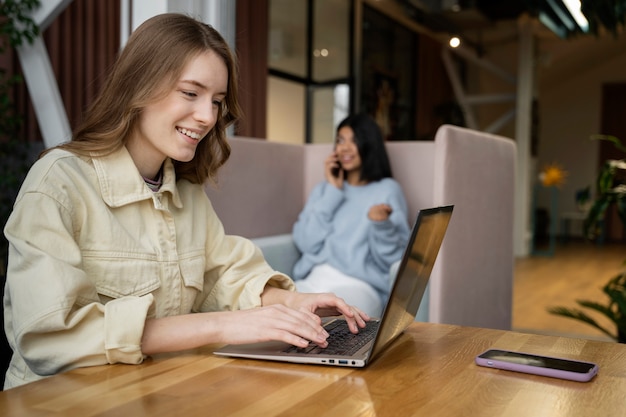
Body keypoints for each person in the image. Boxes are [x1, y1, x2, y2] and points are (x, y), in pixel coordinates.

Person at [2, 13, 368, 389]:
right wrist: (222, 325)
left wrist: (291, 303)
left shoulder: (187, 193)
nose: (208, 116)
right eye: (191, 93)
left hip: (154, 393)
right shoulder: (59, 182)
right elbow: (50, 337)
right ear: (137, 85)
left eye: (218, 101)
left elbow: (223, 277)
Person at [292, 113, 411, 317]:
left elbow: (394, 261)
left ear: (369, 144)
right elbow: (305, 243)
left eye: (354, 141)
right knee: (275, 312)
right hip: (316, 278)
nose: (344, 147)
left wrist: (381, 225)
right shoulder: (325, 190)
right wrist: (333, 191)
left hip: (361, 285)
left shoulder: (387, 190)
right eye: (340, 140)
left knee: (319, 320)